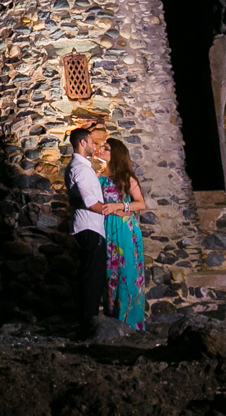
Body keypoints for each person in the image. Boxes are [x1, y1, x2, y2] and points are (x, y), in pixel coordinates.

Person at [98, 137, 149, 330]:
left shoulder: (127, 177)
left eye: (107, 148)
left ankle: (131, 323)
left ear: (116, 154)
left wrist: (119, 205)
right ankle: (113, 323)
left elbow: (141, 203)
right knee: (110, 273)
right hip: (107, 230)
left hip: (125, 230)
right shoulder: (99, 176)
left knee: (127, 272)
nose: (102, 149)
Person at [65, 124, 110, 332]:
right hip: (90, 228)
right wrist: (113, 209)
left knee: (91, 276)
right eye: (92, 142)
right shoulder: (81, 169)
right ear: (82, 143)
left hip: (88, 227)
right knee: (92, 277)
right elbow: (90, 201)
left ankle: (87, 321)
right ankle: (88, 323)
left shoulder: (79, 168)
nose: (95, 145)